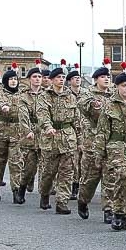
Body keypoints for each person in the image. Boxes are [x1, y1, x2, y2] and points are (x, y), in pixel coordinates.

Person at [95, 63, 126, 230]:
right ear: (117, 87)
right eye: (124, 86)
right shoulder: (109, 105)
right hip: (116, 147)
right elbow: (102, 131)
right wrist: (99, 153)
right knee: (121, 178)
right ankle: (116, 213)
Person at [36, 64, 80, 213]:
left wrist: (79, 138)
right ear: (52, 80)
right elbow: (42, 115)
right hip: (51, 139)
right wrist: (48, 127)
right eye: (58, 78)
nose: (61, 80)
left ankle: (62, 202)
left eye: (63, 78)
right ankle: (44, 194)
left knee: (67, 172)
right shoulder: (44, 96)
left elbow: (77, 119)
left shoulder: (71, 97)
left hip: (68, 138)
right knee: (49, 172)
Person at [77, 59, 114, 222]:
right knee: (90, 179)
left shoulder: (115, 94)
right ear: (96, 79)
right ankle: (83, 201)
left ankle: (109, 210)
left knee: (110, 178)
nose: (106, 79)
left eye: (108, 77)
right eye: (103, 77)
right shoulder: (88, 94)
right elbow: (82, 105)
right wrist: (94, 105)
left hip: (111, 143)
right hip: (92, 143)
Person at [0, 62, 25, 204]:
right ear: (6, 81)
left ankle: (16, 191)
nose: (13, 81)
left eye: (15, 79)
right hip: (1, 131)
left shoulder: (22, 94)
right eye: (11, 79)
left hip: (17, 131)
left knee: (16, 162)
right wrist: (2, 106)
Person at [17, 62, 44, 202]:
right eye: (34, 76)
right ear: (29, 79)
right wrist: (27, 130)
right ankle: (21, 188)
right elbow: (23, 116)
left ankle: (44, 197)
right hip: (31, 134)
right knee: (29, 167)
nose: (37, 79)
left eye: (39, 76)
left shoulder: (47, 95)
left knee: (46, 168)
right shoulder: (24, 96)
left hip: (45, 134)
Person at [66, 63, 85, 201]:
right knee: (74, 160)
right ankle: (74, 185)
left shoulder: (86, 93)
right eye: (75, 78)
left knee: (86, 161)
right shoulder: (66, 95)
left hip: (87, 131)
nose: (77, 79)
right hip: (72, 130)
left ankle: (83, 186)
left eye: (79, 77)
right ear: (70, 81)